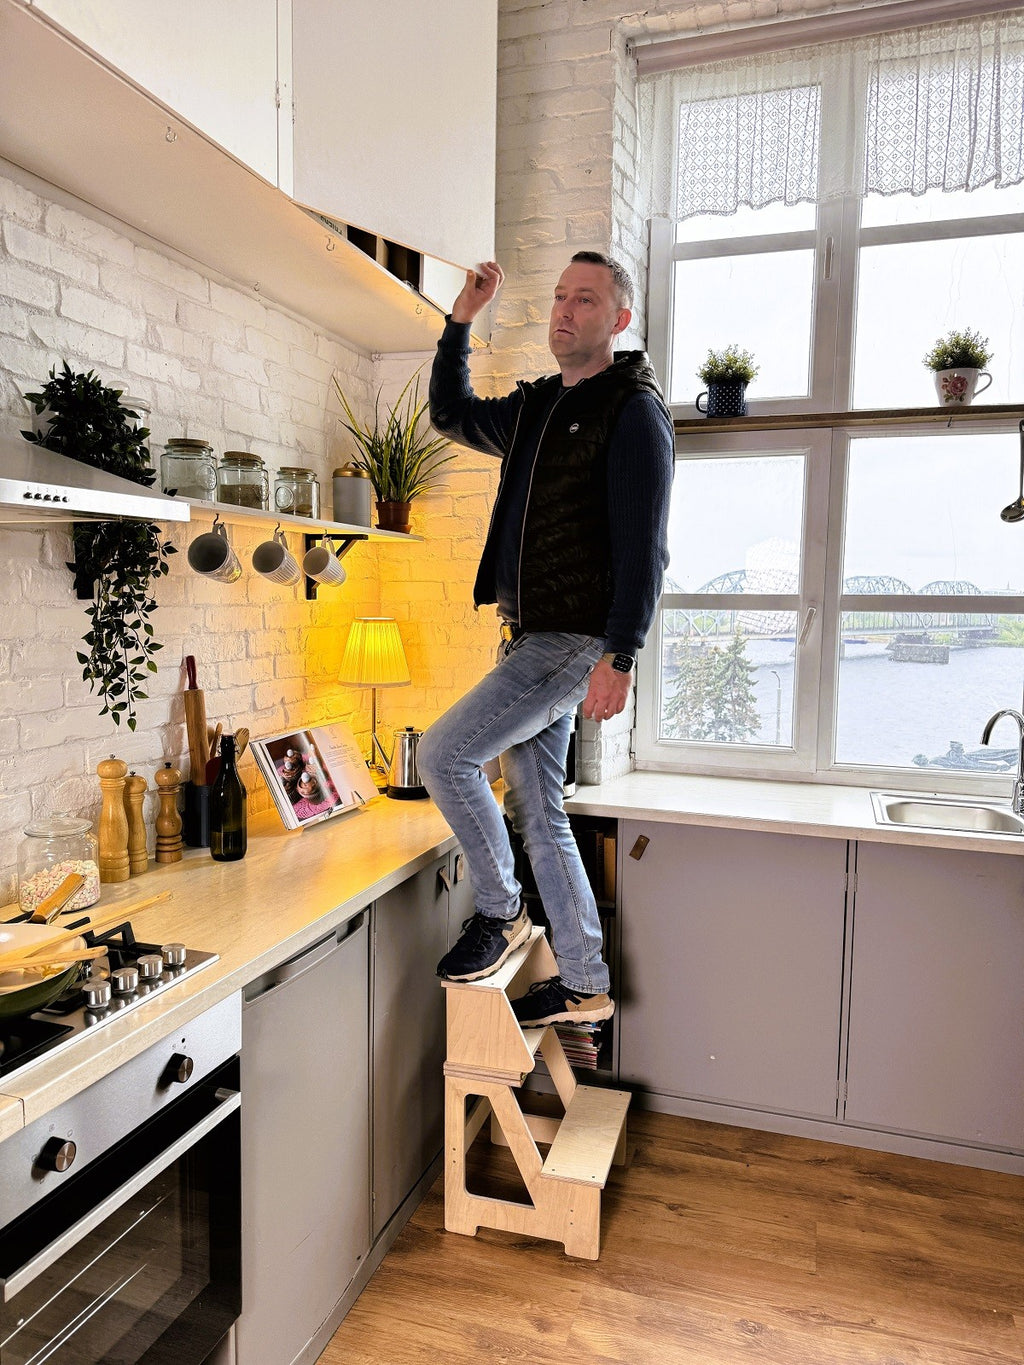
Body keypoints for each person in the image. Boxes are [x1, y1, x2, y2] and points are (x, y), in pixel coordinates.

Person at [418, 250, 673, 1028]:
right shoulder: (534, 408)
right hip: (528, 634)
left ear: (619, 319)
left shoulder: (632, 410)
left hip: (571, 640)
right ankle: (585, 979)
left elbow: (644, 546)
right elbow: (451, 412)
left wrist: (620, 654)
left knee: (444, 754)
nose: (566, 310)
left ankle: (499, 912)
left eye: (586, 299)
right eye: (561, 297)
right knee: (539, 805)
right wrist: (461, 318)